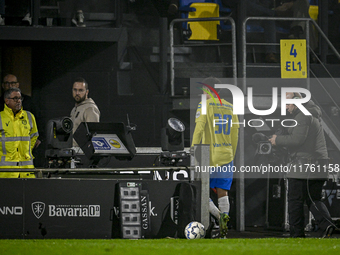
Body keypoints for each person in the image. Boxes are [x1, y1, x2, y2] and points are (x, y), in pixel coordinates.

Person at [269, 92, 335, 238]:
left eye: (288, 103)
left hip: (304, 167)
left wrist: (277, 140)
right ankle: (326, 225)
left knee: (295, 202)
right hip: (317, 166)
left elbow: (297, 140)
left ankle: (297, 235)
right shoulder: (311, 115)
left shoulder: (303, 116)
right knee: (313, 199)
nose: (286, 107)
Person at [191, 77, 239, 238]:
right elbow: (235, 134)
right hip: (227, 155)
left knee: (202, 192)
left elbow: (198, 129)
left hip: (208, 156)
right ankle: (222, 230)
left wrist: (193, 150)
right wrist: (232, 152)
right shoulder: (230, 106)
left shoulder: (204, 106)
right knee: (223, 193)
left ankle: (220, 217)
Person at [0, 87, 39, 178]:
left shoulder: (29, 116)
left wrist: (26, 151)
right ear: (7, 101)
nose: (18, 101)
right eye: (15, 98)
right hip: (6, 171)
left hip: (26, 170)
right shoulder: (0, 118)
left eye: (20, 98)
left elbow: (34, 136)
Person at [70, 77, 100, 147]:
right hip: (74, 152)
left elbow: (93, 136)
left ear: (87, 92)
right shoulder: (75, 109)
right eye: (75, 90)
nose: (77, 93)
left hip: (83, 154)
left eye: (80, 90)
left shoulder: (90, 108)